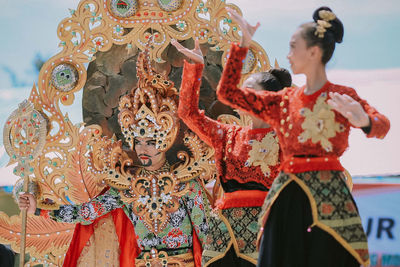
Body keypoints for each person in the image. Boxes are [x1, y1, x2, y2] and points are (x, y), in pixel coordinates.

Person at [216, 6, 390, 267]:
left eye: (293, 46)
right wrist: (242, 44)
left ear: (313, 52)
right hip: (288, 192)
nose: (287, 54)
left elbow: (383, 126)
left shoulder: (341, 96)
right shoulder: (283, 101)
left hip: (329, 191)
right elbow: (229, 94)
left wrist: (363, 120)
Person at [18, 47, 213, 267]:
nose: (142, 149)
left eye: (150, 142)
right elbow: (86, 213)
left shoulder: (186, 184)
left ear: (165, 141)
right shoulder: (127, 185)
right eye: (137, 142)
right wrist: (39, 209)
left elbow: (209, 236)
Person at [172, 39, 291, 266]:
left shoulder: (286, 139)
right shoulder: (227, 134)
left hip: (264, 231)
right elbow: (187, 113)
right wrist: (195, 67)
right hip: (221, 235)